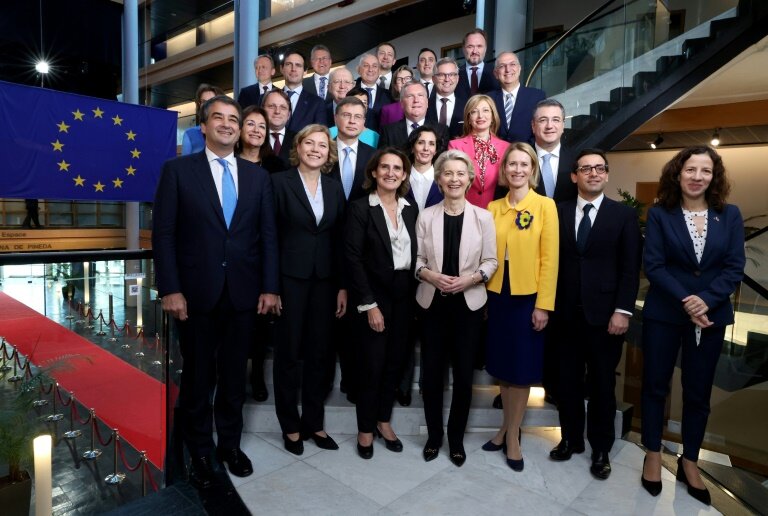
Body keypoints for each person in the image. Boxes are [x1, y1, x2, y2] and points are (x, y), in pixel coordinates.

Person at [153, 95, 279, 488]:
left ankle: (229, 445)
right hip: (194, 295)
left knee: (233, 377)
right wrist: (171, 288)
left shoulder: (257, 177)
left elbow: (268, 237)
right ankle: (200, 452)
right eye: (218, 118)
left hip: (244, 294)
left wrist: (270, 288)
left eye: (233, 119)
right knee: (198, 377)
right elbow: (165, 235)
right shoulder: (177, 171)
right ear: (203, 126)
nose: (227, 124)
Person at [640, 146, 745, 505]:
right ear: (677, 173)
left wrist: (707, 299)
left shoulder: (728, 216)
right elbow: (653, 266)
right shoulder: (659, 215)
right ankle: (652, 453)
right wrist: (689, 301)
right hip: (665, 314)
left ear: (714, 177)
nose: (697, 177)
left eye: (705, 171)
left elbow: (733, 267)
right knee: (655, 386)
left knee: (698, 394)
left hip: (711, 316)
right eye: (691, 170)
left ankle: (690, 461)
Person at [549, 149, 642, 481]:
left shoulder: (624, 216)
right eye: (585, 168)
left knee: (602, 384)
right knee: (566, 382)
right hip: (564, 314)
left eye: (598, 168)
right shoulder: (556, 212)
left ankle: (601, 448)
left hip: (606, 318)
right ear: (574, 176)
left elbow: (631, 269)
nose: (592, 173)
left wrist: (622, 311)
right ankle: (571, 439)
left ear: (606, 175)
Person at [416, 149, 498, 467]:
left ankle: (455, 439)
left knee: (464, 377)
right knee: (432, 376)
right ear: (439, 180)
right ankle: (434, 437)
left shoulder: (484, 217)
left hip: (469, 306)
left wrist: (473, 279)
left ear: (469, 180)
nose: (454, 179)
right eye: (447, 173)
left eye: (460, 174)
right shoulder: (426, 216)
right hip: (432, 304)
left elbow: (491, 261)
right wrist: (431, 275)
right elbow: (418, 262)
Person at [270, 124, 347, 456]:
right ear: (298, 147)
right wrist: (270, 288)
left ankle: (314, 422)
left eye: (322, 145)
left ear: (328, 153)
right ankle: (290, 425)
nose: (316, 149)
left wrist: (343, 286)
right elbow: (269, 238)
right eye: (309, 143)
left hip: (326, 282)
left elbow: (340, 239)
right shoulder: (279, 184)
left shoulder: (334, 187)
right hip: (289, 280)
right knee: (288, 353)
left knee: (320, 353)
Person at [483, 142, 558, 472]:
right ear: (504, 170)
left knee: (522, 368)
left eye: (523, 164)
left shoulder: (545, 206)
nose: (517, 169)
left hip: (529, 298)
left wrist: (544, 305)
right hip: (497, 295)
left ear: (532, 170)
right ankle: (505, 428)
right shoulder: (493, 208)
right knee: (502, 366)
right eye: (511, 164)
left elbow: (550, 260)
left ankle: (513, 436)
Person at [345, 148, 418, 459]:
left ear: (404, 175)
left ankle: (384, 421)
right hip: (373, 297)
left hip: (405, 297)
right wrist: (369, 304)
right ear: (374, 172)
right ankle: (364, 429)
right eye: (384, 167)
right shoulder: (361, 209)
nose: (390, 172)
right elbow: (352, 259)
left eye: (397, 168)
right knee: (371, 366)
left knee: (394, 363)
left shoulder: (410, 209)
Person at [447, 94, 510, 208]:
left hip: (497, 211)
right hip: (463, 209)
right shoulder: (455, 146)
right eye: (474, 111)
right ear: (468, 118)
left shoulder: (506, 148)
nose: (480, 116)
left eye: (485, 110)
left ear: (492, 116)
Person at [489, 52, 546, 144]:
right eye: (502, 66)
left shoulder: (537, 96)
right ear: (496, 73)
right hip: (495, 155)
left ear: (519, 69)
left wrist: (526, 152)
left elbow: (541, 128)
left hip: (527, 154)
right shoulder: (488, 99)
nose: (508, 69)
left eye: (512, 64)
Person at [379, 81, 449, 151]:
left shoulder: (441, 131)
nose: (416, 100)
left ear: (427, 102)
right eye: (410, 96)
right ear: (402, 104)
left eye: (420, 95)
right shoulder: (388, 132)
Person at [532, 98, 577, 203]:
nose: (549, 126)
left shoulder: (577, 160)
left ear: (563, 125)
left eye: (555, 120)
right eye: (543, 120)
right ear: (533, 126)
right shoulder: (519, 159)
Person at [282, 50, 328, 132]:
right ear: (281, 69)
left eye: (298, 65)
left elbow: (320, 136)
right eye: (289, 64)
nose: (293, 69)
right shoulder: (269, 99)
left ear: (305, 71)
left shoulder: (317, 103)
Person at [405, 125, 444, 212]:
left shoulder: (444, 180)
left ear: (436, 150)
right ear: (412, 148)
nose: (426, 148)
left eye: (431, 144)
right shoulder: (401, 178)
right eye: (421, 142)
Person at [426, 57, 468, 138]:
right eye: (442, 75)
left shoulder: (468, 106)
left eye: (451, 75)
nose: (447, 79)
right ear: (433, 79)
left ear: (457, 79)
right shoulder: (424, 105)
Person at [237, 105, 284, 174]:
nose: (256, 130)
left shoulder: (278, 166)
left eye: (262, 126)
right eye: (250, 124)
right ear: (240, 129)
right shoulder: (228, 160)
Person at [181, 83, 224, 155]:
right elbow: (184, 164)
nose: (207, 105)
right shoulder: (190, 134)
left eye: (211, 101)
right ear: (199, 105)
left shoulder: (227, 130)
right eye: (204, 102)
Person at [456, 28, 499, 97]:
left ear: (485, 49)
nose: (475, 51)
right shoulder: (454, 74)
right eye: (470, 47)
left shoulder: (497, 73)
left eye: (479, 46)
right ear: (463, 49)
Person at [356, 53, 392, 131]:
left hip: (381, 140)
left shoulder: (389, 96)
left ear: (379, 71)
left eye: (374, 66)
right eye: (366, 65)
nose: (370, 69)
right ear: (359, 70)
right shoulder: (350, 94)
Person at [262, 89, 295, 169]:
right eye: (271, 106)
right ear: (262, 110)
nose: (277, 111)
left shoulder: (299, 140)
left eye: (283, 107)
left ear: (288, 115)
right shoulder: (254, 137)